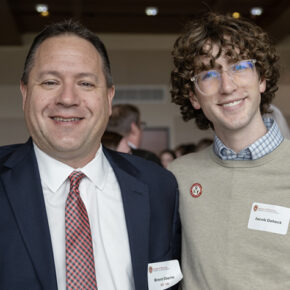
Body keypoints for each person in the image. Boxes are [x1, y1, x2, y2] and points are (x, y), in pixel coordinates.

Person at [0, 20, 181, 290]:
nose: (68, 98)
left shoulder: (158, 186)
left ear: (108, 98)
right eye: (50, 82)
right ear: (25, 93)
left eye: (85, 83)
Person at [169, 12, 290, 290]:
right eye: (209, 73)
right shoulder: (178, 177)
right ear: (193, 96)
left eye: (239, 67)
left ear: (261, 79)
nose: (227, 86)